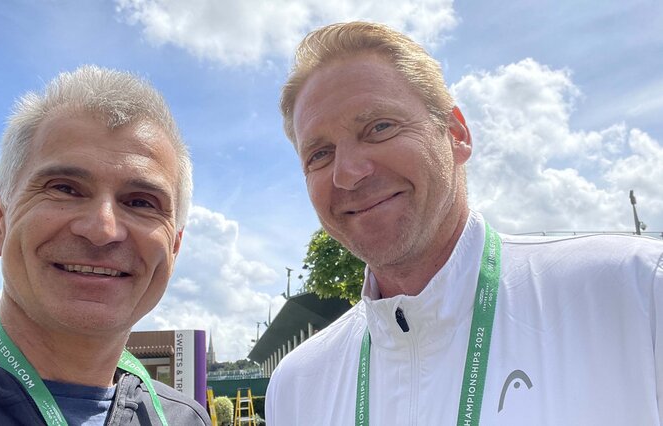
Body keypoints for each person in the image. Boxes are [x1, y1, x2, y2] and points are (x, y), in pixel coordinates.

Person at [265, 21, 663, 425]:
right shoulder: (297, 387)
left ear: (456, 133)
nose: (347, 172)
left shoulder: (638, 294)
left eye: (379, 127)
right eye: (319, 154)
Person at [0, 66, 211, 426]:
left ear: (174, 248)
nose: (102, 230)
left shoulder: (183, 418)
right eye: (64, 188)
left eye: (141, 202)